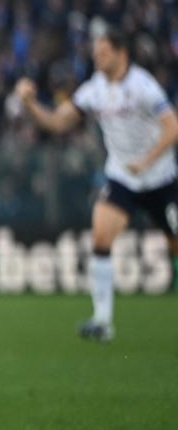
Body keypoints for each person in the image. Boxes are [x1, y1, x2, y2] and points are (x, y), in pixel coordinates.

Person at [14, 25, 178, 342]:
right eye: (95, 54)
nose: (97, 58)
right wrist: (30, 104)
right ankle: (103, 321)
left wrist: (147, 159)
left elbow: (173, 128)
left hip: (160, 179)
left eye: (103, 53)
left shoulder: (143, 86)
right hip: (122, 177)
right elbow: (57, 122)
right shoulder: (94, 89)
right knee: (101, 238)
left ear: (121, 53)